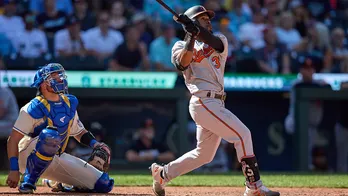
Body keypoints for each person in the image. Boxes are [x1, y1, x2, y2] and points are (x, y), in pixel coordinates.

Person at [149, 5, 280, 196]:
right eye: (203, 18)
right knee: (243, 135)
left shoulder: (219, 40)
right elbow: (182, 63)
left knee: (204, 154)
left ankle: (162, 174)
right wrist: (191, 35)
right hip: (202, 101)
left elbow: (212, 41)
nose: (209, 20)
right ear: (192, 22)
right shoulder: (178, 46)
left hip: (217, 102)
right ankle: (254, 187)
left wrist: (196, 30)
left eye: (208, 18)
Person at [6, 63, 114, 194]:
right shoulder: (34, 107)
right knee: (50, 135)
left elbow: (79, 132)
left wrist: (96, 144)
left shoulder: (68, 104)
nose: (60, 79)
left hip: (56, 157)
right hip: (26, 156)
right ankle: (28, 181)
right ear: (43, 83)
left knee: (103, 184)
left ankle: (56, 181)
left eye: (60, 75)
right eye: (54, 76)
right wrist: (13, 169)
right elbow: (12, 140)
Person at [284, 56, 331, 170]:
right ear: (300, 70)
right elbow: (304, 86)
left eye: (310, 68)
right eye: (305, 68)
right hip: (295, 122)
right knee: (306, 137)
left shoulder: (320, 83)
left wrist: (324, 85)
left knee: (311, 140)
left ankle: (308, 166)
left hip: (312, 125)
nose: (308, 71)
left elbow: (329, 87)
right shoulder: (296, 84)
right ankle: (306, 167)